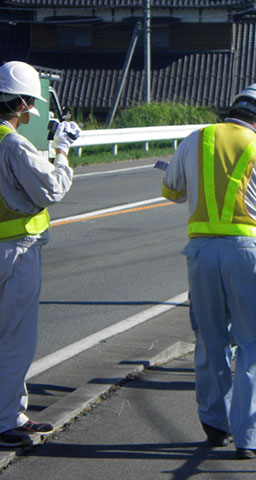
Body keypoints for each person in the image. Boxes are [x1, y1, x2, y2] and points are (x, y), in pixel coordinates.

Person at [162, 82, 256, 459]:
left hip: (201, 252)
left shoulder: (196, 138)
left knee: (210, 339)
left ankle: (214, 424)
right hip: (251, 256)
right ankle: (251, 438)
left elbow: (171, 189)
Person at [0, 61, 80, 448]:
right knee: (15, 338)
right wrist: (62, 150)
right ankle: (6, 421)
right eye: (29, 104)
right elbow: (51, 189)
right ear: (21, 104)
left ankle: (9, 413)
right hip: (15, 253)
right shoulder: (13, 144)